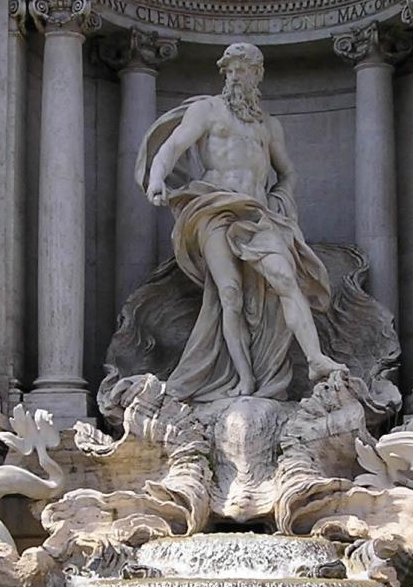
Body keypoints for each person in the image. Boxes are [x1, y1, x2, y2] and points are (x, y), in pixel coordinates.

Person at [137, 43, 347, 402]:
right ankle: (245, 381)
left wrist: (282, 200)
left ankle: (315, 359)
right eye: (229, 70)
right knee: (229, 294)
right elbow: (172, 147)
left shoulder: (268, 126)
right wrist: (157, 177)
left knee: (285, 277)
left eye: (241, 70)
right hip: (213, 208)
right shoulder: (208, 111)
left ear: (257, 75)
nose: (234, 77)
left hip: (257, 213)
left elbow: (287, 172)